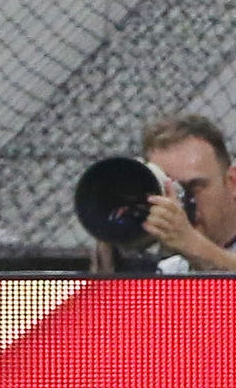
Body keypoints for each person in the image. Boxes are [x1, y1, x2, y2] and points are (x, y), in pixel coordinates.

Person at [91, 113, 236, 274]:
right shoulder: (170, 270)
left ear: (232, 182)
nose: (178, 203)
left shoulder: (191, 250)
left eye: (194, 187)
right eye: (166, 190)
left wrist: (192, 244)